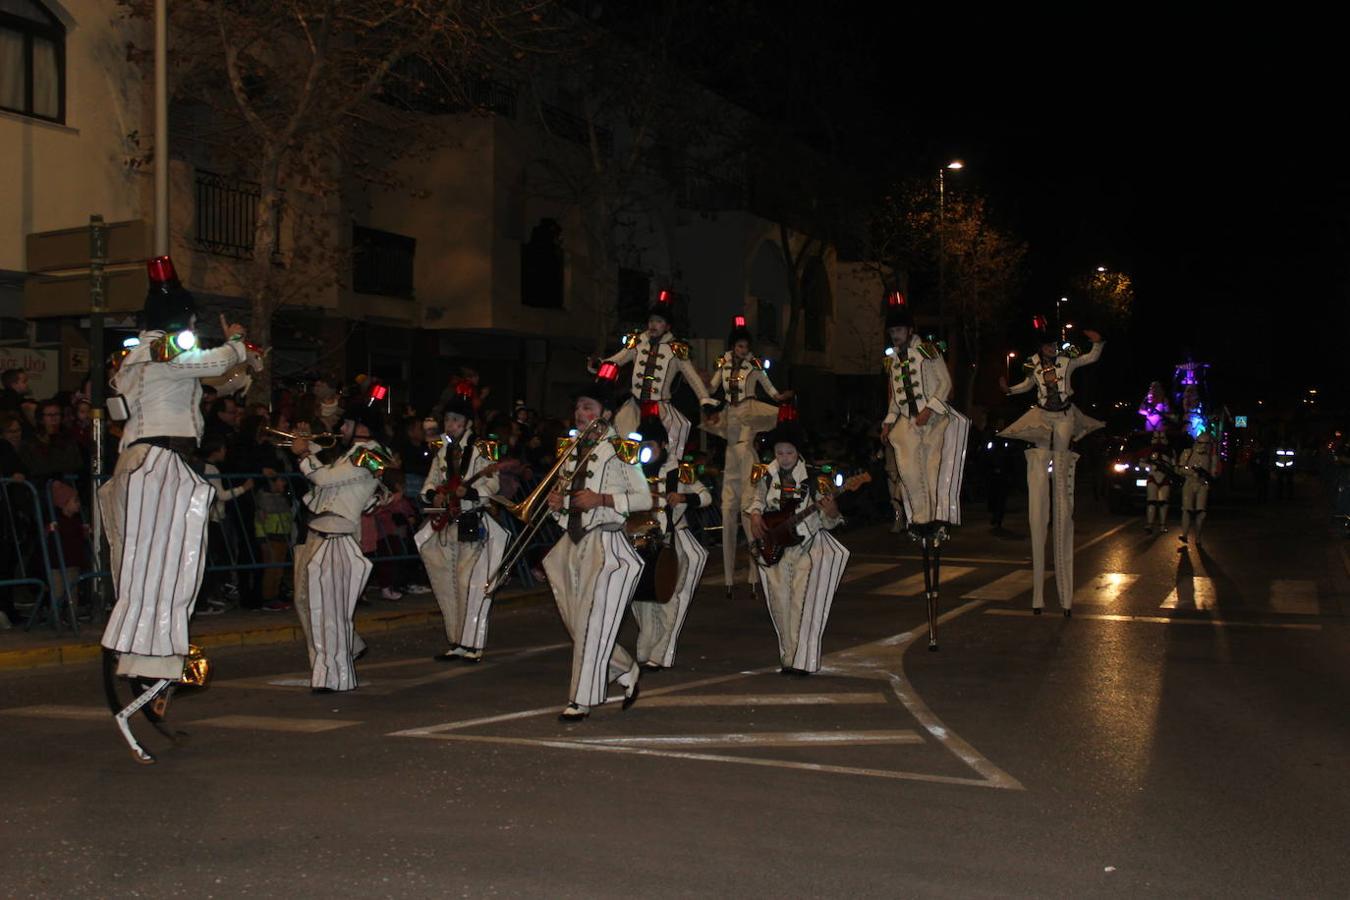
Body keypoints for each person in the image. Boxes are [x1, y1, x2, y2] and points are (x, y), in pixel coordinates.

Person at [98, 256, 254, 762]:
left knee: (157, 569)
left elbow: (220, 380)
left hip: (149, 463)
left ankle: (155, 665)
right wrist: (236, 343)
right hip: (160, 464)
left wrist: (244, 362)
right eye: (190, 324)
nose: (192, 332)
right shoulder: (160, 347)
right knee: (164, 569)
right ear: (177, 321)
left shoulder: (140, 359)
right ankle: (151, 666)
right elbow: (210, 365)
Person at [542, 372, 652, 721]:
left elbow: (644, 497)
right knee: (576, 621)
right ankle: (624, 667)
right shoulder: (570, 448)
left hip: (607, 543)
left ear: (604, 413)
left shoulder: (622, 450)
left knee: (591, 622)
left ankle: (582, 699)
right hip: (572, 542)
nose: (579, 413)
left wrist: (602, 498)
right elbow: (569, 497)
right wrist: (558, 502)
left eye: (587, 407)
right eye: (577, 407)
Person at [998, 316, 1105, 616]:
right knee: (1040, 451)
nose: (1050, 349)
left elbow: (1089, 358)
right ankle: (1038, 596)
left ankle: (1059, 481)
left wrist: (1097, 342)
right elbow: (1025, 387)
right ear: (1040, 347)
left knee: (1060, 453)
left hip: (1065, 415)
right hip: (1043, 415)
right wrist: (1009, 390)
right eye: (1046, 345)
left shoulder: (1067, 360)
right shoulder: (1033, 364)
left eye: (1053, 344)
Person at [880, 292, 970, 647]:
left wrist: (930, 410)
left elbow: (945, 384)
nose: (896, 336)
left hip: (930, 423)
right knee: (906, 471)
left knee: (931, 470)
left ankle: (935, 518)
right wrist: (887, 422)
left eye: (899, 330)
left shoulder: (928, 352)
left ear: (910, 330)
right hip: (905, 422)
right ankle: (920, 521)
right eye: (892, 332)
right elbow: (893, 397)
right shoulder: (891, 361)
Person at [289, 409, 390, 693]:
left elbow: (326, 478)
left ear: (364, 426)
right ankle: (335, 664)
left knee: (330, 609)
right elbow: (333, 468)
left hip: (338, 536)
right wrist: (309, 444)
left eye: (346, 422)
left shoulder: (371, 454)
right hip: (320, 532)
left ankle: (335, 676)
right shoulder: (354, 451)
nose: (340, 427)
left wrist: (303, 455)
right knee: (307, 601)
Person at [747, 404, 849, 675]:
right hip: (774, 548)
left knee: (800, 604)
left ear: (798, 452)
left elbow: (829, 521)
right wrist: (756, 515)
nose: (784, 457)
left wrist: (831, 511)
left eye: (789, 452)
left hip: (804, 549)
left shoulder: (815, 479)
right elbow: (756, 499)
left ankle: (801, 658)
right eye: (780, 452)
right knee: (779, 604)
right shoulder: (766, 474)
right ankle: (788, 656)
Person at [702, 315, 792, 597]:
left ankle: (754, 573)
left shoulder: (754, 365)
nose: (742, 351)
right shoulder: (724, 363)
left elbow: (770, 388)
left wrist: (779, 398)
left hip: (747, 447)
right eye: (738, 346)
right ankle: (730, 578)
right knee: (728, 512)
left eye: (744, 347)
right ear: (733, 347)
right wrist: (702, 386)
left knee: (747, 511)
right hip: (730, 446)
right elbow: (711, 387)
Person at [415, 392, 506, 663]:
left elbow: (492, 484)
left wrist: (470, 492)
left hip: (472, 521)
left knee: (471, 584)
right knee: (448, 584)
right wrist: (435, 495)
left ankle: (473, 643)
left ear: (467, 422)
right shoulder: (442, 450)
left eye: (455, 420)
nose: (449, 424)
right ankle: (456, 640)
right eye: (447, 419)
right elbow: (429, 483)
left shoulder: (485, 447)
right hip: (446, 524)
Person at [589, 291, 717, 475]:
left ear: (667, 326)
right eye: (651, 321)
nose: (653, 325)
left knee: (666, 450)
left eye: (658, 321)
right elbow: (616, 360)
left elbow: (692, 377)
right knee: (620, 442)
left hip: (660, 409)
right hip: (634, 406)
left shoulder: (676, 349)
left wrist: (705, 400)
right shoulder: (638, 342)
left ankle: (664, 485)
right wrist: (599, 365)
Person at [628, 404, 712, 671]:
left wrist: (684, 497)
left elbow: (706, 496)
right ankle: (646, 644)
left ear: (663, 445)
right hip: (637, 543)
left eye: (651, 444)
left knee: (666, 598)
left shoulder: (680, 471)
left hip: (669, 544)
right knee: (640, 598)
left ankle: (662, 652)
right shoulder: (632, 471)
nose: (646, 451)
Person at [1178, 432, 1219, 547]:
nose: (1203, 446)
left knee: (1201, 512)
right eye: (1201, 443)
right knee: (1186, 509)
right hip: (1189, 483)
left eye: (1206, 443)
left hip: (1203, 484)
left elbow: (1213, 473)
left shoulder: (1211, 457)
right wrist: (1192, 473)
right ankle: (1185, 534)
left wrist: (1210, 472)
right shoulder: (1188, 453)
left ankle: (1198, 538)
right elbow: (1180, 469)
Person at [1144, 431, 1176, 534]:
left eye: (1161, 438)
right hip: (1153, 477)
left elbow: (1174, 465)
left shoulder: (1171, 451)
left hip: (1165, 478)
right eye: (1157, 438)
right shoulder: (1148, 451)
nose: (1159, 441)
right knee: (1151, 502)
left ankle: (1162, 525)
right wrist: (1149, 466)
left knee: (1163, 503)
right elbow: (1141, 462)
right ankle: (1150, 524)